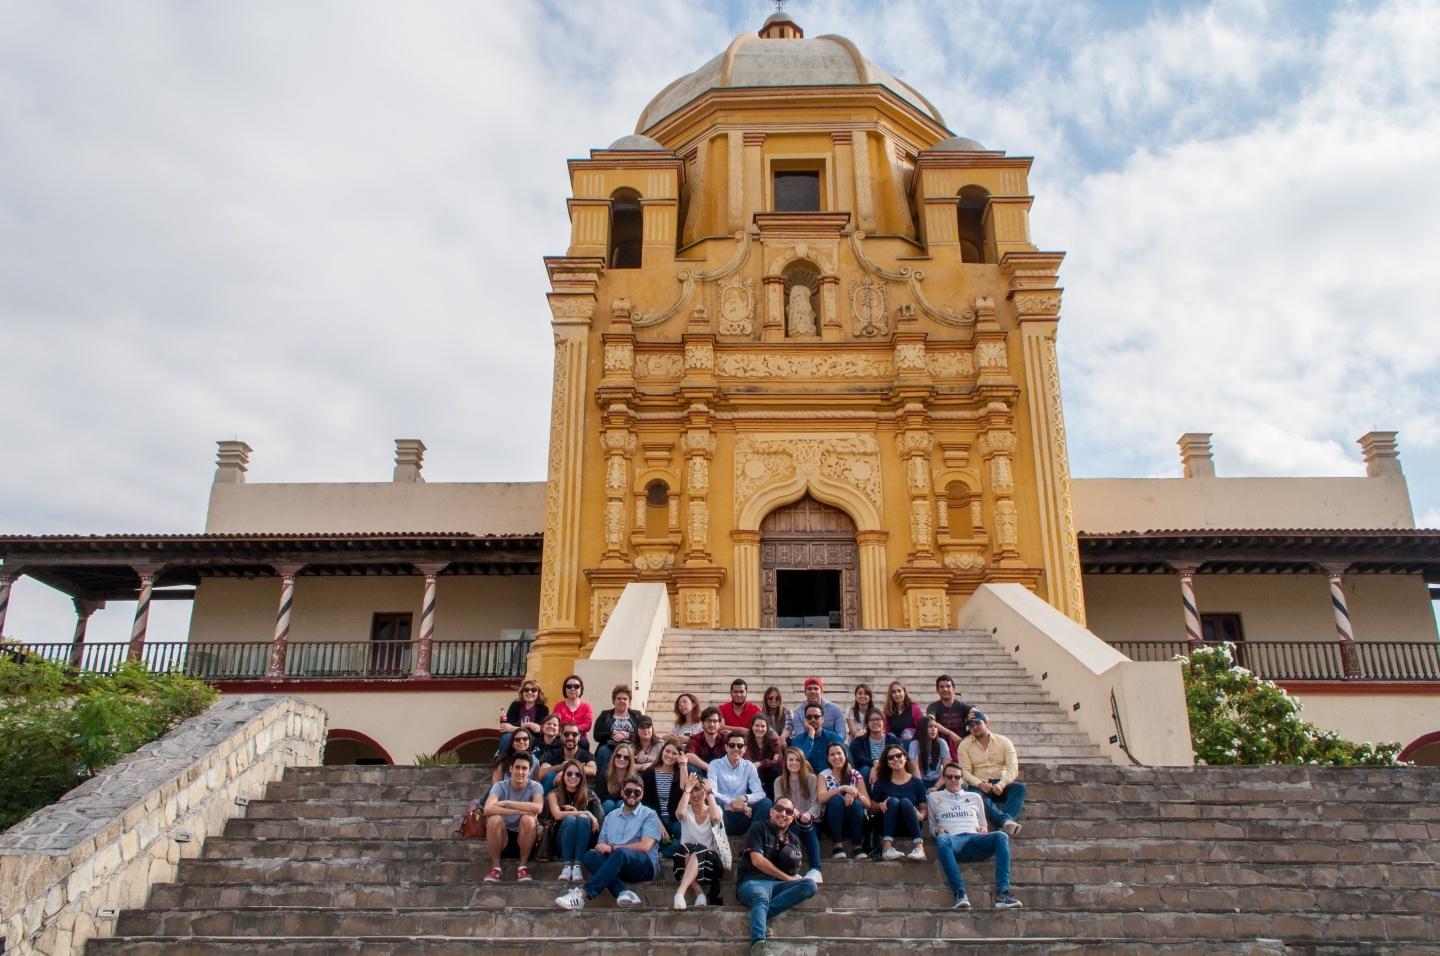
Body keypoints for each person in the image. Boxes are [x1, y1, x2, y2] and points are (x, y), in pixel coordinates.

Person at [555, 774, 662, 910]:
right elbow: (601, 846)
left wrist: (612, 848)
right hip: (617, 864)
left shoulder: (649, 814)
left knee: (620, 852)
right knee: (590, 856)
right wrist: (604, 848)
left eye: (637, 792)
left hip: (645, 866)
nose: (632, 795)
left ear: (642, 794)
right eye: (628, 791)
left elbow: (645, 846)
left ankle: (581, 894)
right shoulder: (610, 817)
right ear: (622, 792)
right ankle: (622, 892)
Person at [926, 761, 1022, 909]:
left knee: (1001, 836)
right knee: (942, 839)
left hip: (975, 838)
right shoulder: (934, 797)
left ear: (962, 779)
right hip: (953, 841)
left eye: (956, 777)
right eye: (949, 777)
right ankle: (960, 893)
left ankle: (1003, 894)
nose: (953, 780)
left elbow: (983, 824)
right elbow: (932, 826)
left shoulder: (975, 797)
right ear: (943, 779)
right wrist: (937, 831)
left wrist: (983, 829)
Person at [735, 798, 818, 955]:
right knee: (761, 897)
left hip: (778, 885)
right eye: (779, 809)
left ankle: (759, 916)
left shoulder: (794, 839)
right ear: (771, 811)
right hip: (753, 881)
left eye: (788, 811)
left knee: (809, 885)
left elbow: (793, 872)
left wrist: (793, 878)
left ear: (793, 817)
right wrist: (787, 878)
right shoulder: (759, 828)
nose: (783, 814)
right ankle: (758, 945)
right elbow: (757, 861)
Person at [956, 711, 1026, 836]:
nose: (974, 728)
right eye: (971, 725)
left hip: (1000, 782)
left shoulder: (1004, 741)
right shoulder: (964, 745)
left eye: (977, 723)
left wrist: (1001, 784)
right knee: (975, 796)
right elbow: (964, 771)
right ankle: (1005, 821)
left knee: (1020, 788)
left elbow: (1013, 768)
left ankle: (1005, 822)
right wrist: (979, 783)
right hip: (980, 784)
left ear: (987, 723)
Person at [482, 754, 544, 883]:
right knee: (494, 819)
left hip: (526, 838)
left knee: (528, 819)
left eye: (524, 768)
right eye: (517, 767)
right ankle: (496, 868)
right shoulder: (499, 786)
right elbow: (488, 809)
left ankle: (523, 867)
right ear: (510, 768)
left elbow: (538, 807)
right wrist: (519, 811)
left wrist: (507, 803)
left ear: (529, 770)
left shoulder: (535, 786)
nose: (520, 772)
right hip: (503, 839)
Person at [545, 759, 603, 883]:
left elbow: (599, 821)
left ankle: (577, 866)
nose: (573, 777)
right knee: (571, 818)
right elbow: (558, 815)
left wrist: (583, 814)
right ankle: (566, 866)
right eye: (569, 773)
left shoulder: (589, 795)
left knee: (582, 819)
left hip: (582, 843)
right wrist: (586, 812)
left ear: (582, 777)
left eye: (577, 774)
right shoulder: (553, 794)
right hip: (560, 843)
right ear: (563, 774)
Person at [672, 775, 725, 909]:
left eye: (698, 789)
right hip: (685, 860)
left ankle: (680, 892)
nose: (694, 794)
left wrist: (710, 793)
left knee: (699, 849)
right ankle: (699, 893)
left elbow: (715, 818)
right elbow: (680, 814)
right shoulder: (686, 810)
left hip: (708, 863)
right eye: (692, 790)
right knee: (684, 849)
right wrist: (687, 789)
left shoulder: (715, 809)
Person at [869, 744, 928, 861]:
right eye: (890, 758)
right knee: (894, 801)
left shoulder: (917, 783)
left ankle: (919, 847)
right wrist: (880, 805)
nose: (895, 759)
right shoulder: (881, 782)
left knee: (905, 802)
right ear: (887, 763)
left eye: (898, 755)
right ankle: (887, 848)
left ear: (905, 758)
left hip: (910, 825)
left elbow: (923, 808)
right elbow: (871, 807)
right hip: (887, 824)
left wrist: (921, 816)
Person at [773, 746, 824, 882]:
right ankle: (791, 870)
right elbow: (778, 804)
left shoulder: (812, 779)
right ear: (786, 762)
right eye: (791, 760)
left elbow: (817, 803)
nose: (794, 763)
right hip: (789, 822)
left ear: (802, 762)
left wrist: (809, 814)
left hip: (811, 822)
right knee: (793, 831)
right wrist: (791, 811)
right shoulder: (779, 781)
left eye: (797, 760)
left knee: (806, 826)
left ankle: (815, 869)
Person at [711, 730, 772, 835]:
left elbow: (760, 793)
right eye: (732, 745)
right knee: (713, 800)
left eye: (739, 746)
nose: (736, 749)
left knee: (766, 803)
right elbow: (712, 792)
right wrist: (734, 802)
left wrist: (744, 798)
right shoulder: (715, 765)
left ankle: (752, 838)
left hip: (744, 815)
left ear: (744, 749)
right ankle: (719, 838)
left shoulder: (749, 766)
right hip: (723, 814)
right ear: (726, 747)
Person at [817, 742, 870, 859]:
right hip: (832, 823)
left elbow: (868, 803)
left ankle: (857, 846)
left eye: (839, 753)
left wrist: (856, 795)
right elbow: (821, 798)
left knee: (856, 803)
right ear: (828, 758)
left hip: (855, 821)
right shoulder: (823, 775)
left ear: (845, 756)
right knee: (836, 800)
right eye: (832, 754)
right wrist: (842, 789)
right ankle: (837, 845)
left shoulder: (855, 774)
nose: (836, 757)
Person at [640, 740, 690, 845]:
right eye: (667, 751)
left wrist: (683, 764)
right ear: (662, 751)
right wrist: (659, 823)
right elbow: (645, 803)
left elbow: (685, 790)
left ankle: (664, 852)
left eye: (674, 753)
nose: (670, 755)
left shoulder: (681, 773)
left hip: (674, 818)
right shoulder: (648, 773)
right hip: (654, 817)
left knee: (685, 832)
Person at [594, 684, 644, 778]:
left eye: (625, 699)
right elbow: (596, 735)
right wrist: (612, 733)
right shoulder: (605, 715)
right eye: (619, 698)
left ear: (629, 702)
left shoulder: (637, 715)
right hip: (610, 747)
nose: (622, 701)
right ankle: (600, 783)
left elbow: (643, 734)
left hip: (631, 747)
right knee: (603, 751)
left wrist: (627, 735)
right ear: (613, 701)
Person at [536, 723, 596, 792]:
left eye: (574, 734)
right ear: (561, 736)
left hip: (577, 792)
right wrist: (563, 766)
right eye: (566, 734)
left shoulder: (586, 754)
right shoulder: (552, 754)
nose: (570, 737)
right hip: (556, 792)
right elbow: (542, 772)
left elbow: (592, 770)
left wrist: (568, 769)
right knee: (551, 776)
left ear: (579, 737)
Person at [497, 679, 549, 757]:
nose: (529, 692)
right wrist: (529, 725)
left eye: (533, 690)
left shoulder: (543, 709)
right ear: (522, 692)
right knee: (507, 737)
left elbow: (538, 730)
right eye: (526, 690)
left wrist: (516, 727)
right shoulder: (515, 705)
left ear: (538, 693)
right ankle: (502, 761)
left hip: (532, 738)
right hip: (514, 735)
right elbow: (508, 725)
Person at [792, 702, 845, 773]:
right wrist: (811, 734)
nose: (813, 719)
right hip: (808, 778)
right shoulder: (797, 740)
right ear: (805, 720)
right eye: (809, 717)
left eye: (816, 717)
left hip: (830, 776)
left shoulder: (833, 737)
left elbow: (842, 760)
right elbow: (800, 760)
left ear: (823, 719)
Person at [850, 708, 901, 781]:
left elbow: (898, 758)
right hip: (868, 775)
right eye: (871, 720)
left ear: (883, 722)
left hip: (889, 769)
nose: (875, 722)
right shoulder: (859, 741)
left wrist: (877, 767)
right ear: (867, 723)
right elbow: (859, 758)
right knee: (865, 769)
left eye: (878, 719)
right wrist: (874, 763)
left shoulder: (893, 740)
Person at [926, 674, 973, 750]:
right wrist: (950, 734)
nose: (945, 689)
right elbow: (930, 721)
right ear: (937, 691)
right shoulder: (933, 707)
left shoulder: (962, 706)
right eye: (941, 687)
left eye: (948, 686)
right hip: (941, 744)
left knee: (979, 724)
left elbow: (982, 717)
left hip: (961, 742)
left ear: (953, 689)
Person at [553, 674, 594, 751]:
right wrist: (566, 732)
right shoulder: (559, 706)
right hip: (562, 735)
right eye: (569, 686)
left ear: (581, 689)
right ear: (565, 689)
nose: (572, 688)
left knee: (584, 744)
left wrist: (574, 730)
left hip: (580, 737)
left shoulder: (586, 706)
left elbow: (587, 725)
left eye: (576, 686)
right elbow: (557, 723)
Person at [909, 715, 952, 789]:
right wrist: (922, 789)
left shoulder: (942, 743)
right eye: (930, 726)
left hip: (940, 781)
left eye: (935, 727)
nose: (933, 729)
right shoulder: (915, 744)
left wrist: (935, 787)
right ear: (923, 729)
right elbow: (914, 768)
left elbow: (947, 769)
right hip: (922, 781)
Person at [745, 713, 784, 793]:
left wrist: (761, 763)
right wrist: (771, 761)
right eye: (757, 725)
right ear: (752, 726)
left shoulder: (773, 741)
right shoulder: (746, 741)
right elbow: (749, 763)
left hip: (769, 775)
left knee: (774, 770)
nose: (760, 729)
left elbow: (779, 761)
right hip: (752, 774)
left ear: (767, 728)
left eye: (763, 726)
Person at [597, 743, 637, 814]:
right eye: (618, 756)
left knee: (621, 803)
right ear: (614, 757)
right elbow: (601, 797)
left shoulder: (634, 778)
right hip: (607, 807)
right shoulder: (605, 774)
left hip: (626, 808)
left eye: (626, 757)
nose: (621, 759)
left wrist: (614, 797)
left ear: (630, 760)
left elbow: (633, 799)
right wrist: (621, 795)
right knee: (609, 804)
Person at [685, 706, 728, 773]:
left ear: (719, 724)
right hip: (701, 776)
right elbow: (688, 754)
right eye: (708, 721)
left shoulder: (726, 739)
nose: (712, 724)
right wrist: (709, 768)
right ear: (702, 723)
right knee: (688, 765)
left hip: (721, 775)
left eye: (715, 721)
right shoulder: (695, 739)